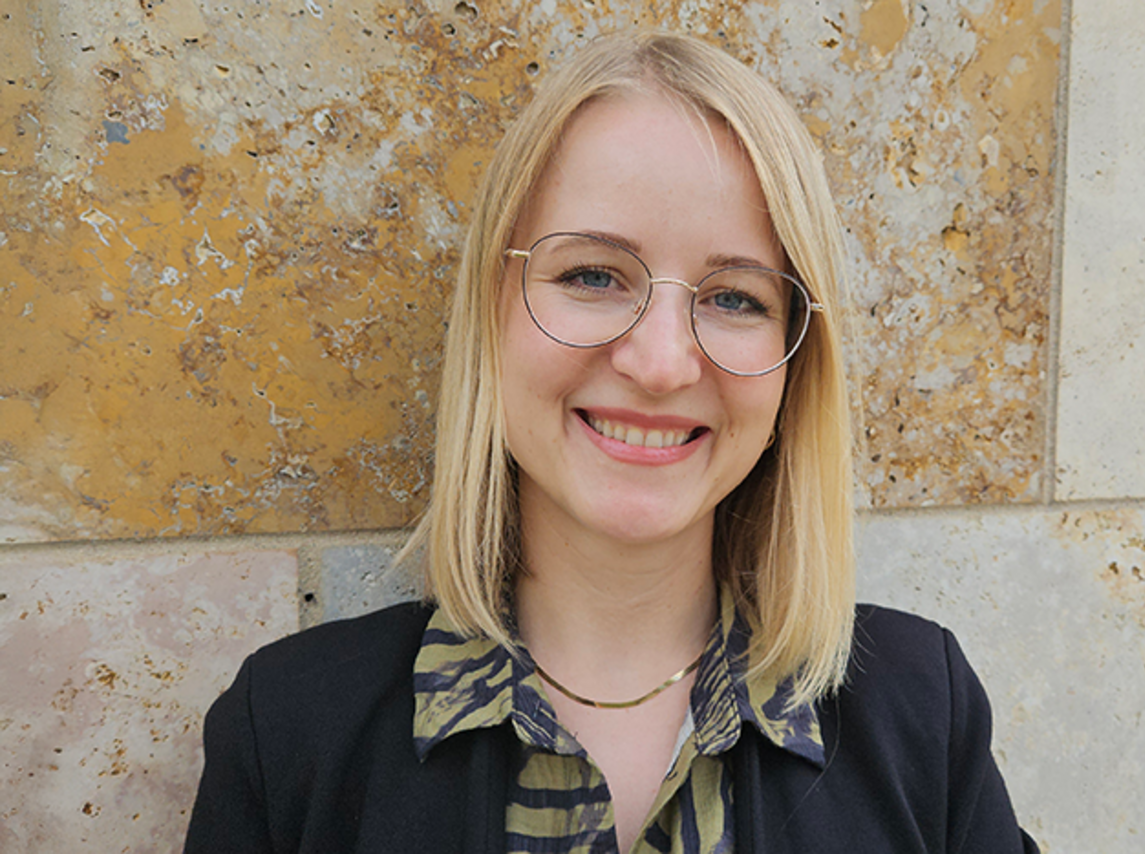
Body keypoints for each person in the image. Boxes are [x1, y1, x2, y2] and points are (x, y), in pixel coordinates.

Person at [184, 31, 1038, 854]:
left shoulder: (923, 717)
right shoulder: (288, 735)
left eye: (735, 298)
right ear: (492, 312)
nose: (662, 364)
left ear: (794, 361)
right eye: (593, 275)